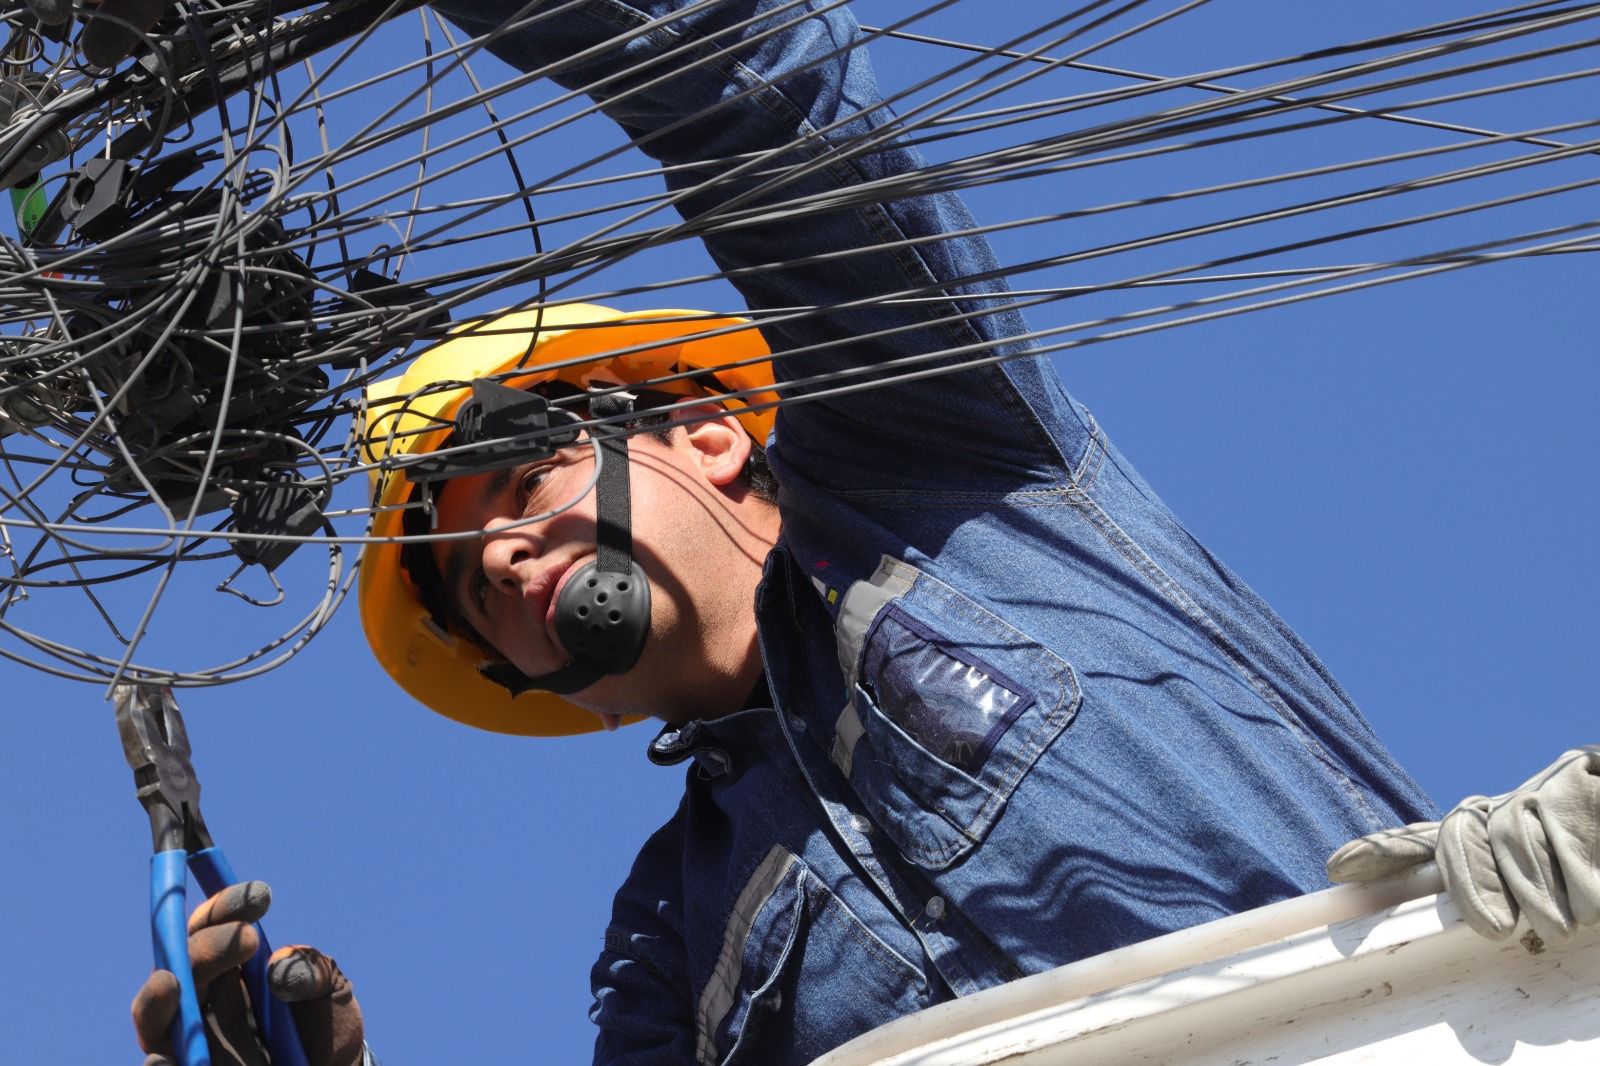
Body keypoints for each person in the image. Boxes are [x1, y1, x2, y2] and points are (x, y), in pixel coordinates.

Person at [128, 2, 1600, 1064]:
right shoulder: (670, 950)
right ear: (542, 687)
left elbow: (762, 99)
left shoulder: (957, 481)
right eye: (463, 598)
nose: (503, 561)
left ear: (705, 431)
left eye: (518, 478)